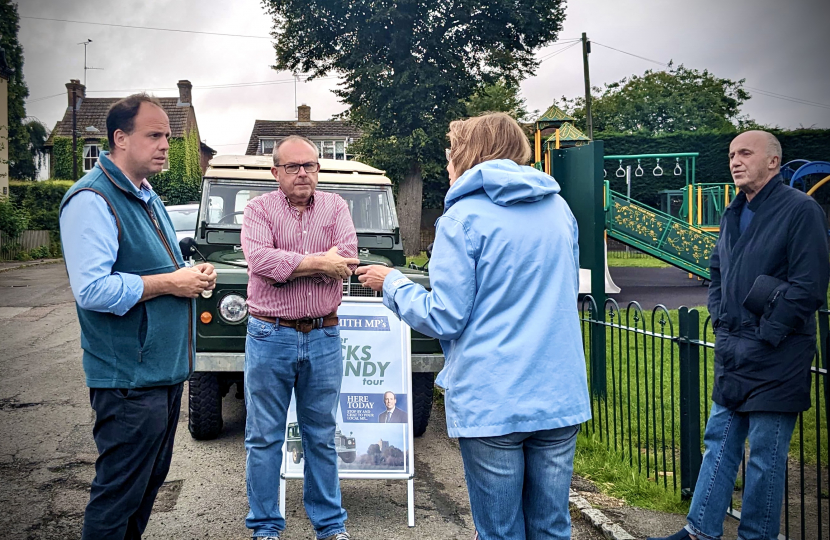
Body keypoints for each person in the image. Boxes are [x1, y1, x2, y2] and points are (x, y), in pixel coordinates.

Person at [357, 112, 591, 540]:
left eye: (450, 153)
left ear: (468, 154)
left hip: (495, 397)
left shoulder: (462, 218)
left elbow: (444, 315)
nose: (447, 163)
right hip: (559, 391)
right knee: (553, 528)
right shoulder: (559, 209)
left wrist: (391, 283)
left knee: (500, 533)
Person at [649, 131, 829, 540]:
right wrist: (720, 319)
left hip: (779, 354)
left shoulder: (801, 210)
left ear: (773, 162)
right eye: (731, 154)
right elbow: (717, 272)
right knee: (719, 444)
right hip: (733, 350)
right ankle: (699, 531)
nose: (735, 160)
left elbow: (810, 285)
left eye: (745, 152)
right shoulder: (733, 212)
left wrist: (767, 333)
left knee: (765, 457)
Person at [59, 93, 217, 540]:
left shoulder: (147, 195)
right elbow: (92, 289)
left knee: (146, 486)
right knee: (118, 495)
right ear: (120, 138)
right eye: (154, 135)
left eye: (168, 135)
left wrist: (187, 274)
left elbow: (155, 268)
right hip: (128, 381)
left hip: (160, 375)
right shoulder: (92, 198)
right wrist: (172, 283)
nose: (166, 144)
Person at [241, 135, 359, 540]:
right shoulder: (257, 209)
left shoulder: (336, 206)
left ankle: (330, 527)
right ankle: (265, 528)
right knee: (264, 436)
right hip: (270, 333)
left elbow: (347, 259)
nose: (303, 173)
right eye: (292, 167)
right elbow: (261, 261)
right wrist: (318, 262)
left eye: (309, 165)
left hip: (324, 333)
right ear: (275, 172)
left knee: (322, 436)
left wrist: (296, 265)